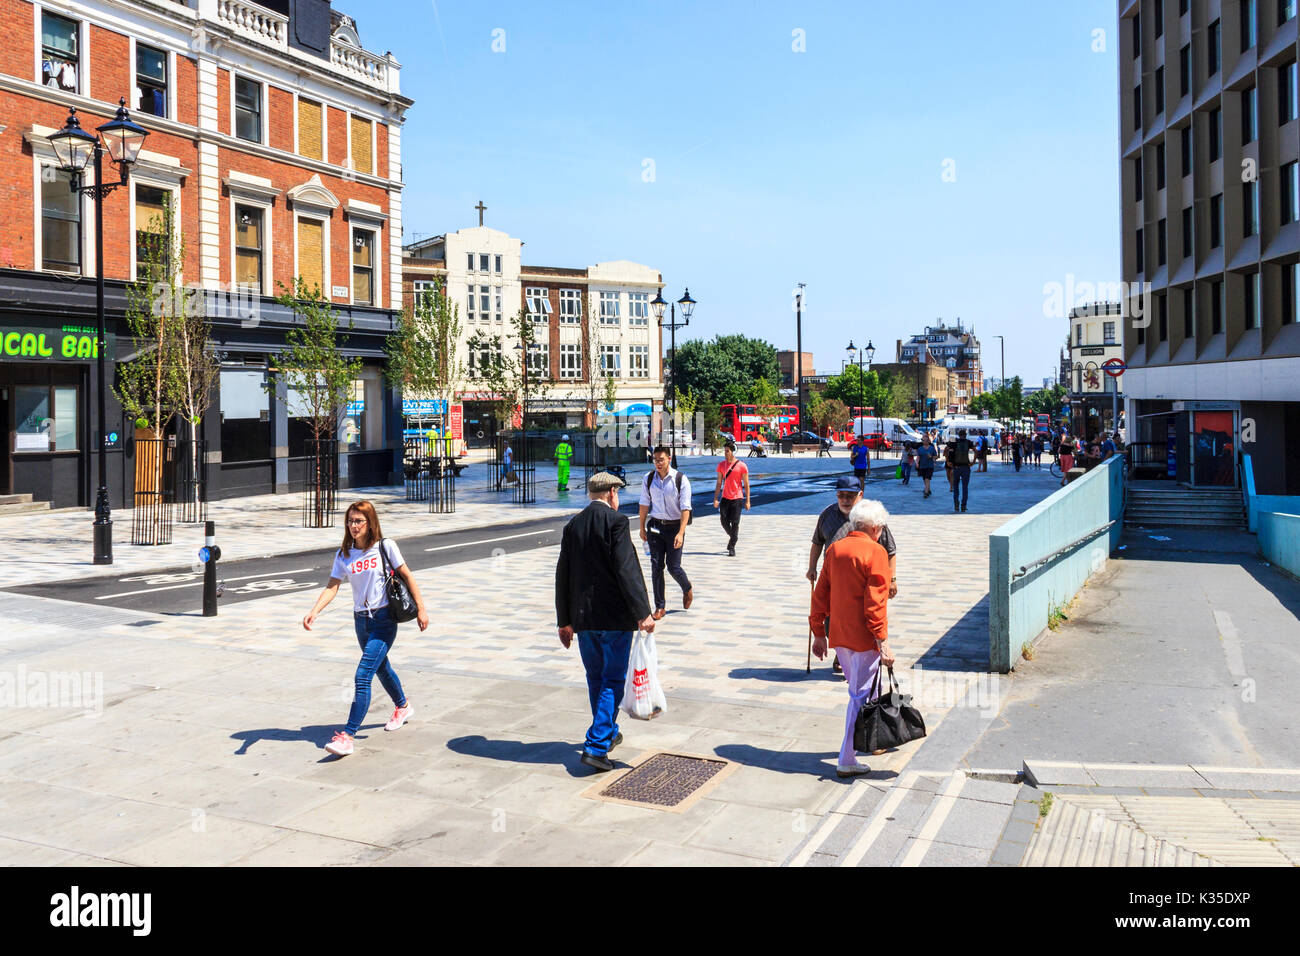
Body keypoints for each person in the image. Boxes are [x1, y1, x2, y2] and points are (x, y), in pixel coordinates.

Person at [302, 500, 430, 758]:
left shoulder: (385, 547)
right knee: (381, 667)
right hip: (361, 620)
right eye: (350, 521)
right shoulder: (344, 554)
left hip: (384, 619)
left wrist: (421, 608)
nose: (353, 526)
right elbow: (333, 586)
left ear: (370, 523)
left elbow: (407, 575)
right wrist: (314, 611)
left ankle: (347, 736)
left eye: (358, 521)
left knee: (362, 676)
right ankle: (403, 706)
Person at [556, 471, 657, 772]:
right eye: (618, 493)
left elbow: (563, 575)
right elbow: (628, 570)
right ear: (612, 492)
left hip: (584, 620)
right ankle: (597, 745)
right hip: (614, 618)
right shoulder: (616, 522)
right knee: (613, 680)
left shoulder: (573, 525)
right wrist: (644, 613)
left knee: (596, 678)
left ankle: (609, 732)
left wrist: (564, 621)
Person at [809, 498, 896, 778]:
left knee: (861, 691)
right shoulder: (876, 553)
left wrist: (818, 633)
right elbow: (875, 605)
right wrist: (883, 642)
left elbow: (820, 593)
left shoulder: (835, 550)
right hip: (864, 638)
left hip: (840, 636)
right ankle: (847, 757)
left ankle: (867, 740)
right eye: (881, 528)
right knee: (859, 695)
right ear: (875, 528)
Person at [807, 476, 899, 675]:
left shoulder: (870, 517)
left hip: (864, 578)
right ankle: (842, 654)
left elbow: (889, 550)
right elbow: (817, 542)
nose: (845, 500)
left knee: (861, 614)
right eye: (841, 495)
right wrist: (812, 567)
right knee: (834, 616)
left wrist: (891, 579)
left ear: (860, 495)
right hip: (835, 577)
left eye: (850, 496)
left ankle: (850, 656)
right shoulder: (827, 515)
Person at [638, 445, 694, 620]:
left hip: (675, 527)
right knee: (656, 566)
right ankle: (659, 606)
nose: (658, 463)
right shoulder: (648, 479)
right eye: (655, 460)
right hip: (655, 527)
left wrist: (681, 533)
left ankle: (687, 588)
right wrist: (641, 527)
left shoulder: (680, 479)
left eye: (661, 459)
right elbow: (644, 504)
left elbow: (686, 508)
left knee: (673, 567)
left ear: (669, 459)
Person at [712, 440, 751, 556]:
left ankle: (732, 546)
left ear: (733, 451)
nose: (725, 453)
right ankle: (734, 537)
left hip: (737, 498)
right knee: (723, 520)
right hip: (725, 497)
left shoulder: (742, 466)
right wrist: (715, 498)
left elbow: (746, 484)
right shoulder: (721, 465)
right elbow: (719, 483)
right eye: (724, 451)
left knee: (735, 522)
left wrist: (748, 501)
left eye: (727, 451)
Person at [946, 428, 973, 512]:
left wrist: (947, 461)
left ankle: (956, 504)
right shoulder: (968, 442)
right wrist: (973, 461)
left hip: (956, 467)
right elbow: (976, 450)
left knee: (956, 487)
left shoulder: (954, 442)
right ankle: (963, 505)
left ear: (958, 435)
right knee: (965, 487)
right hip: (965, 467)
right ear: (965, 435)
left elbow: (946, 449)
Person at [916, 433, 937, 498]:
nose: (924, 442)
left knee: (927, 479)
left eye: (925, 440)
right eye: (923, 440)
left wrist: (931, 457)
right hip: (922, 466)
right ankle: (928, 489)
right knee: (925, 479)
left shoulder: (932, 448)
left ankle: (926, 492)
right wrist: (916, 463)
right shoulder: (920, 449)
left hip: (930, 466)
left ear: (928, 441)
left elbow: (936, 456)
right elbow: (918, 457)